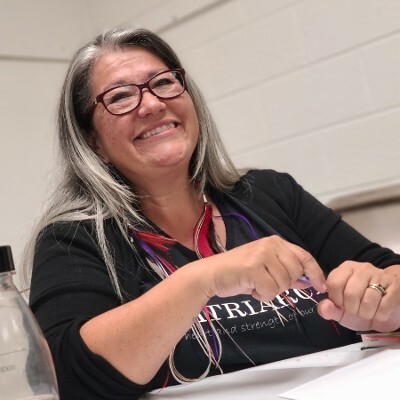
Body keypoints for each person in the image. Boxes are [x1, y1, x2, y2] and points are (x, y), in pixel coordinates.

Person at [22, 27, 400, 399]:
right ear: (93, 143)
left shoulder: (270, 192)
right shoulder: (73, 238)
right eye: (120, 96)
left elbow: (388, 272)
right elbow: (60, 376)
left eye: (164, 82)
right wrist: (201, 279)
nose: (152, 104)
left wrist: (380, 297)